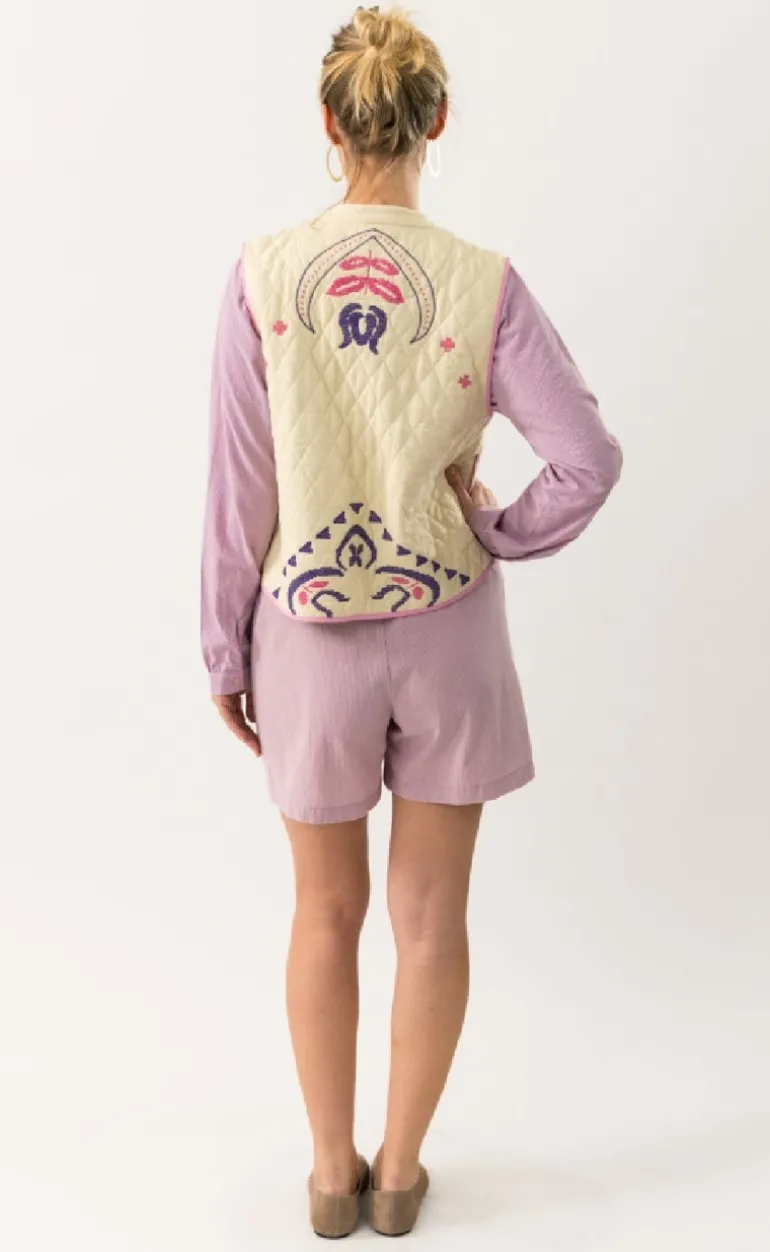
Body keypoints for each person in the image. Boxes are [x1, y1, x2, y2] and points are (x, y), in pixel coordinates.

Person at [200, 4, 622, 1238]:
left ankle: (328, 1176)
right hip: (448, 635)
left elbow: (238, 489)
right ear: (436, 122)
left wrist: (225, 647)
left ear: (328, 124)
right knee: (432, 919)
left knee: (321, 914)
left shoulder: (261, 276)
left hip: (307, 638)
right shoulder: (485, 285)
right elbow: (586, 458)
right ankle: (397, 1175)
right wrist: (495, 530)